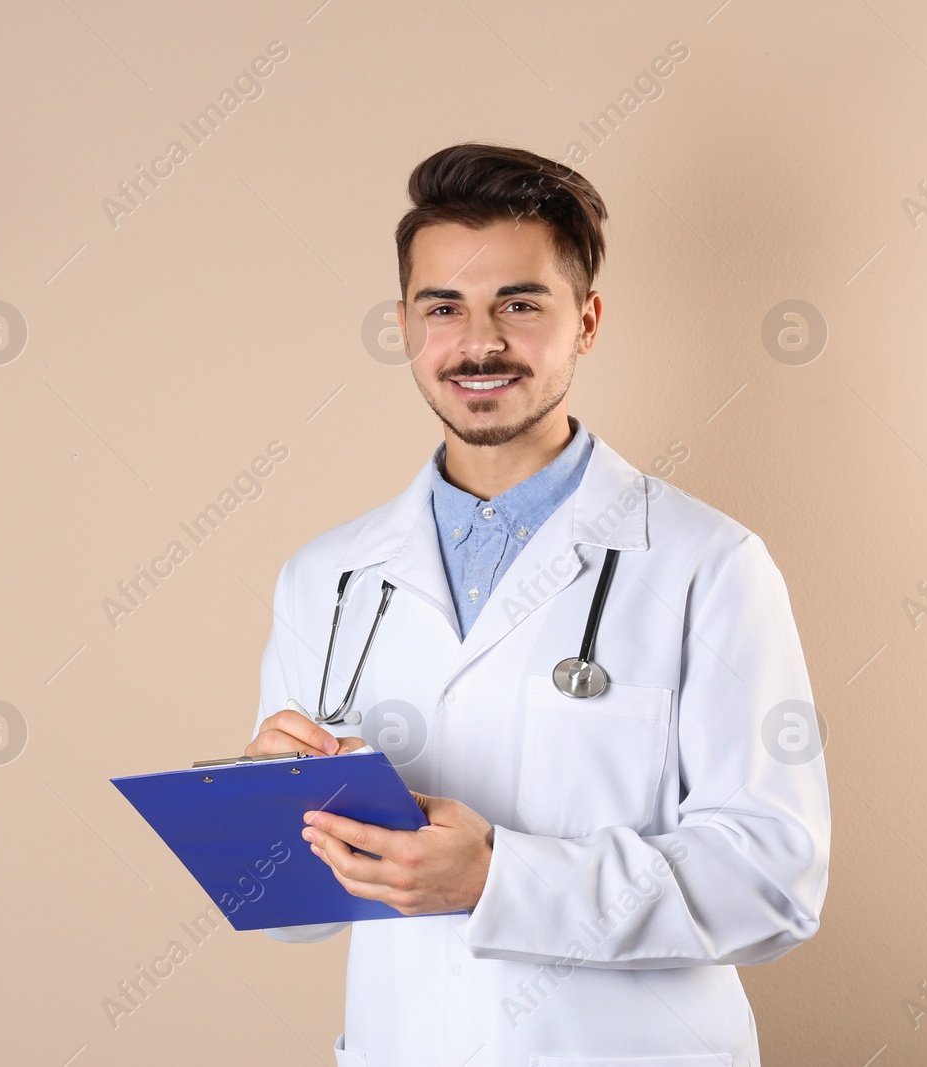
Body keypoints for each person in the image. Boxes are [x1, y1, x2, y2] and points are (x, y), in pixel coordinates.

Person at [245, 142, 830, 1066]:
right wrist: (268, 819)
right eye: (444, 307)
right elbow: (293, 920)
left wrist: (497, 877)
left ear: (586, 321)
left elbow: (774, 878)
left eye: (519, 304)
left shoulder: (708, 564)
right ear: (404, 325)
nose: (479, 343)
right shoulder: (326, 579)